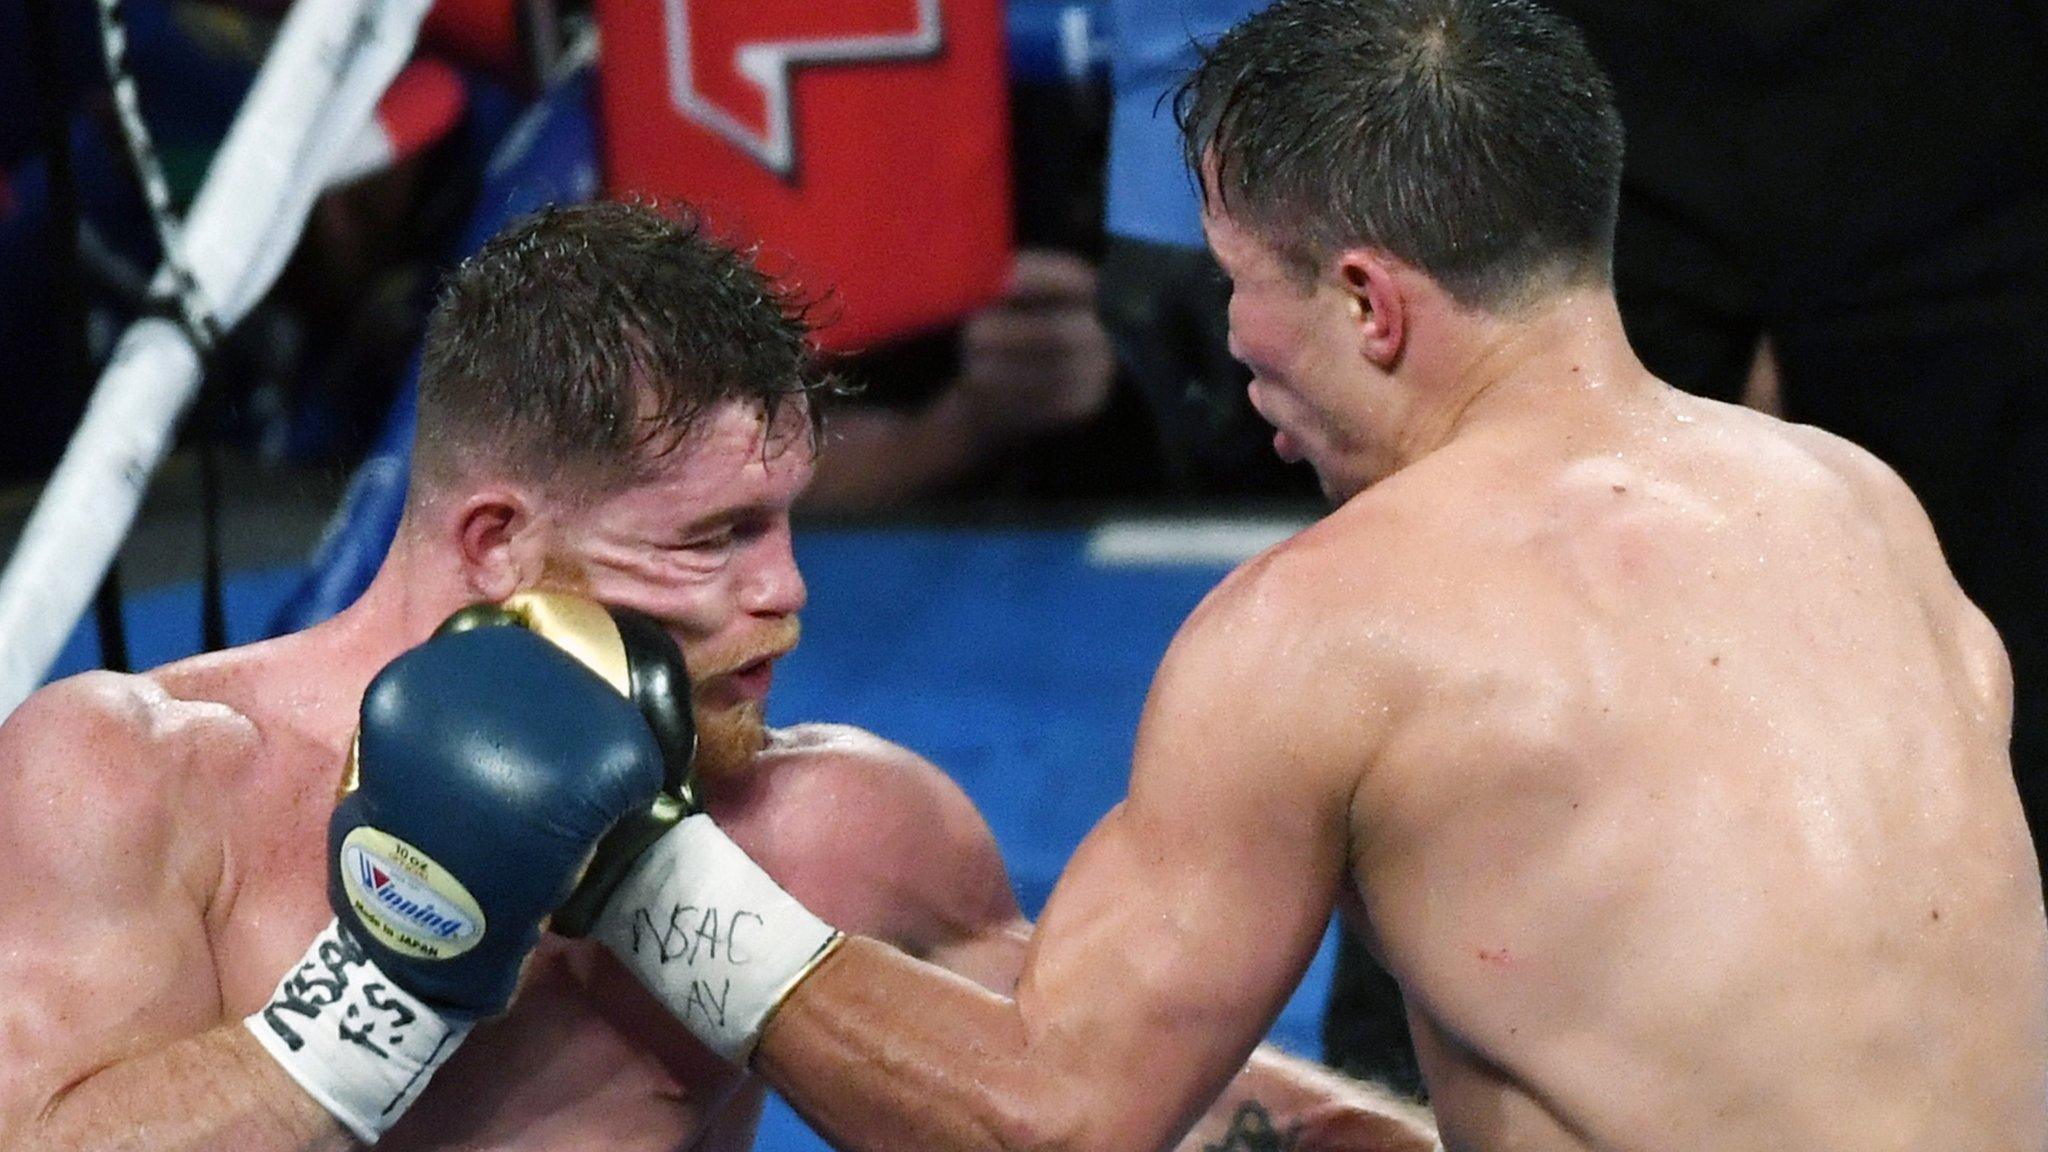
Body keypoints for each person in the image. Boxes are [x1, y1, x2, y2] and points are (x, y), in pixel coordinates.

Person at [576, 3, 2048, 1149]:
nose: (1228, 343)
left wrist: (644, 874)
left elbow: (1052, 1124)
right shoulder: (1861, 505)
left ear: (1367, 299)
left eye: (1240, 281)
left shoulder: (1327, 628)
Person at [0, 200, 1433, 1150]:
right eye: (717, 538)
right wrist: (390, 980)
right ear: (498, 539)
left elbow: (1123, 1115)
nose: (789, 592)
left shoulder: (830, 827)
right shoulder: (138, 775)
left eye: (789, 521)